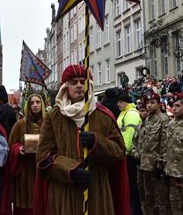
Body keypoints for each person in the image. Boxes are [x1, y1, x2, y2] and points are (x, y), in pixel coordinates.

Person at [34, 64, 129, 215]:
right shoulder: (53, 117)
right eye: (73, 82)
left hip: (97, 191)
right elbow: (43, 157)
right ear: (65, 87)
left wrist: (97, 143)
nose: (79, 85)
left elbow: (119, 151)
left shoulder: (103, 115)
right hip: (64, 195)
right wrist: (70, 170)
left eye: (82, 81)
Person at [8, 93, 45, 214]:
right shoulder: (20, 124)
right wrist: (18, 149)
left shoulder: (48, 123)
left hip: (43, 168)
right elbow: (11, 145)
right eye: (32, 103)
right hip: (25, 171)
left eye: (38, 102)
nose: (35, 105)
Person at [139, 92, 171, 214]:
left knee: (161, 201)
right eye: (147, 103)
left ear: (158, 104)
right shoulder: (147, 120)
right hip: (145, 165)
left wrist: (160, 164)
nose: (149, 105)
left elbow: (165, 144)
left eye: (152, 102)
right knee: (149, 199)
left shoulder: (163, 120)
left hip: (157, 167)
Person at [116, 92, 142, 215]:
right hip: (124, 153)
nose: (118, 104)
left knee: (132, 184)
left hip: (128, 155)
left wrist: (125, 150)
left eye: (120, 102)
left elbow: (130, 134)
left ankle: (134, 209)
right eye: (118, 102)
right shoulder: (124, 113)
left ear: (126, 102)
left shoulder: (130, 114)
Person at [131, 101, 148, 214]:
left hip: (151, 166)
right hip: (139, 164)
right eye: (140, 111)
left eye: (143, 111)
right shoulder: (139, 127)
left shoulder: (158, 123)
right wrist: (135, 154)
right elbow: (134, 142)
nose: (141, 113)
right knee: (142, 194)